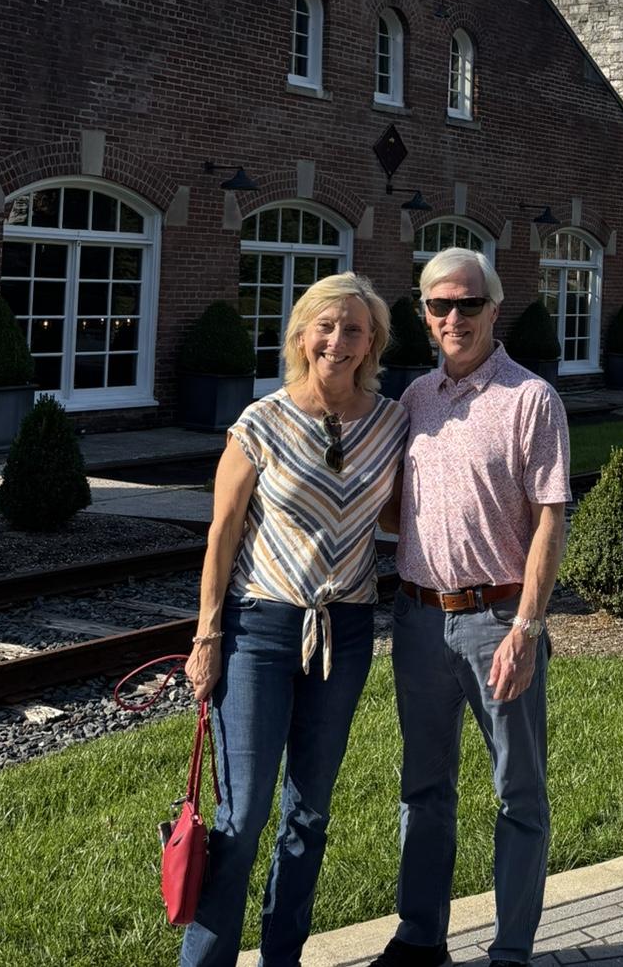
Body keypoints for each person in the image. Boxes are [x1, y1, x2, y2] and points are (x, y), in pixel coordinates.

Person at [181, 272, 408, 967]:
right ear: (303, 335)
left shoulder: (391, 420)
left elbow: (399, 517)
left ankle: (284, 957)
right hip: (260, 631)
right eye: (326, 326)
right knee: (243, 816)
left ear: (373, 343)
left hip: (347, 629)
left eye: (355, 330)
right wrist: (207, 635)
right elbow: (222, 535)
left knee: (309, 815)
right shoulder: (261, 421)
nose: (338, 341)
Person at [372, 247, 570, 967]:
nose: (454, 318)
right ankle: (420, 937)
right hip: (419, 620)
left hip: (499, 622)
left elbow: (552, 517)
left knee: (518, 791)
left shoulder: (530, 399)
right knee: (423, 788)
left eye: (468, 304)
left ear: (495, 307)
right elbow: (397, 513)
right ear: (423, 316)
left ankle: (510, 949)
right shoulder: (414, 400)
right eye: (439, 306)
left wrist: (527, 625)